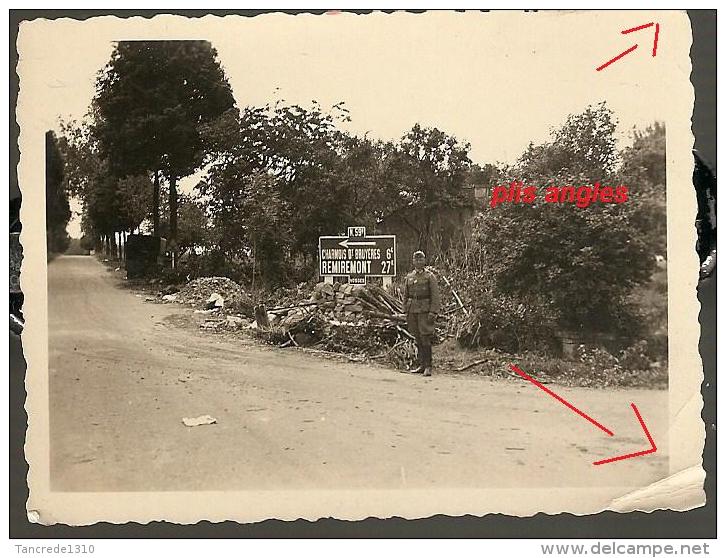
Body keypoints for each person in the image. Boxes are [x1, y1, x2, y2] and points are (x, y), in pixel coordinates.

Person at [402, 250, 441, 376]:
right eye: (416, 260)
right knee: (417, 338)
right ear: (413, 262)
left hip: (425, 311)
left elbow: (435, 296)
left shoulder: (430, 277)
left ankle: (428, 366)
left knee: (425, 338)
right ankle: (422, 364)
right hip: (412, 310)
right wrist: (405, 311)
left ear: (424, 261)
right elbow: (406, 296)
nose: (418, 262)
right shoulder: (409, 277)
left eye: (421, 259)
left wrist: (433, 312)